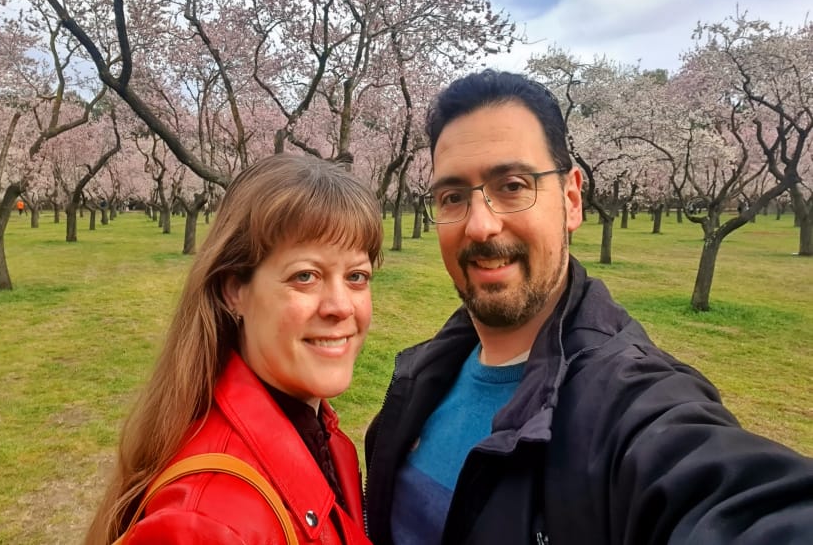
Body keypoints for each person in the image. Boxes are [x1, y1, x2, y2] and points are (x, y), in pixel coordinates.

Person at [363, 70, 813, 545]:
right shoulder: (422, 377)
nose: (480, 225)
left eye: (513, 186)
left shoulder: (628, 406)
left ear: (571, 198)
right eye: (453, 197)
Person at [86, 153, 381, 545]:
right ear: (234, 291)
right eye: (305, 276)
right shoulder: (206, 523)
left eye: (357, 276)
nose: (341, 306)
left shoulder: (325, 437)